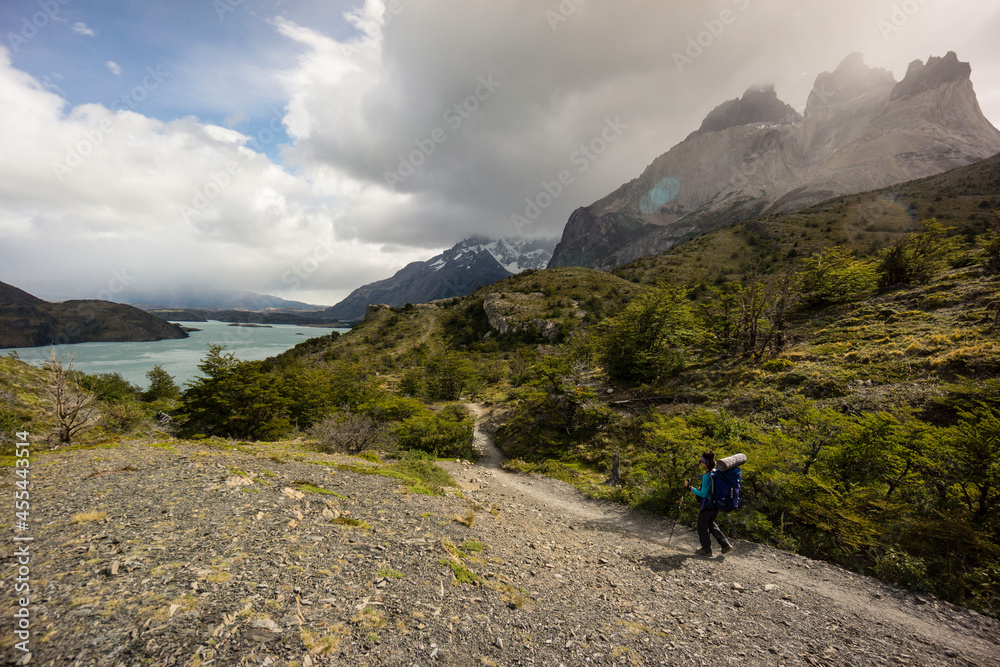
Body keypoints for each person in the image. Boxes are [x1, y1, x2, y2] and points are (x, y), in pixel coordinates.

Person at [684, 451, 733, 557]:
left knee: (702, 526)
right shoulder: (715, 472)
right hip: (717, 505)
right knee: (710, 523)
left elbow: (702, 494)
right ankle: (725, 544)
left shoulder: (707, 476)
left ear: (705, 463)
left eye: (701, 461)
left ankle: (706, 549)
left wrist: (690, 488)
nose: (700, 463)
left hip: (708, 505)